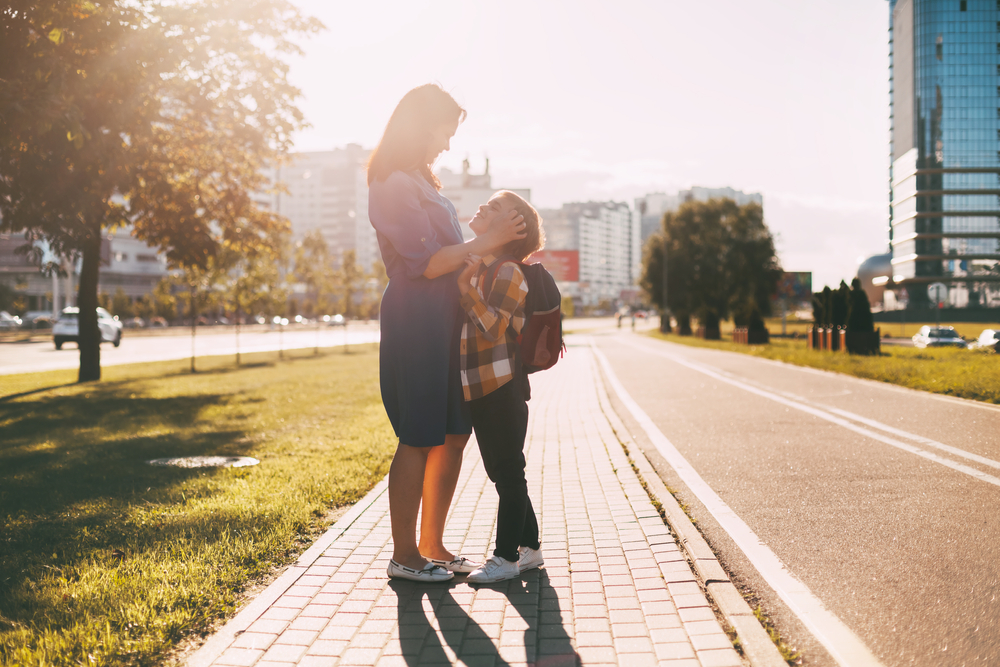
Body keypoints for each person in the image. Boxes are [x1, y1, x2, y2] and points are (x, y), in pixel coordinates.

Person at [367, 85, 526, 583]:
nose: (448, 145)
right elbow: (427, 261)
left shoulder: (423, 181)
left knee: (454, 434)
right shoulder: (392, 184)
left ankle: (431, 543)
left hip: (449, 324)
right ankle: (403, 555)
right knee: (418, 435)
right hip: (416, 321)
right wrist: (487, 240)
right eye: (444, 132)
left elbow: (455, 256)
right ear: (421, 125)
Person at [454, 191, 545, 584]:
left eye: (493, 208)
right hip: (481, 387)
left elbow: (492, 328)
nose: (481, 208)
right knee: (504, 473)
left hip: (502, 387)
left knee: (509, 474)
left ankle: (506, 558)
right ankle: (532, 550)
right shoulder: (484, 267)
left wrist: (465, 288)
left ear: (510, 229)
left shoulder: (508, 271)